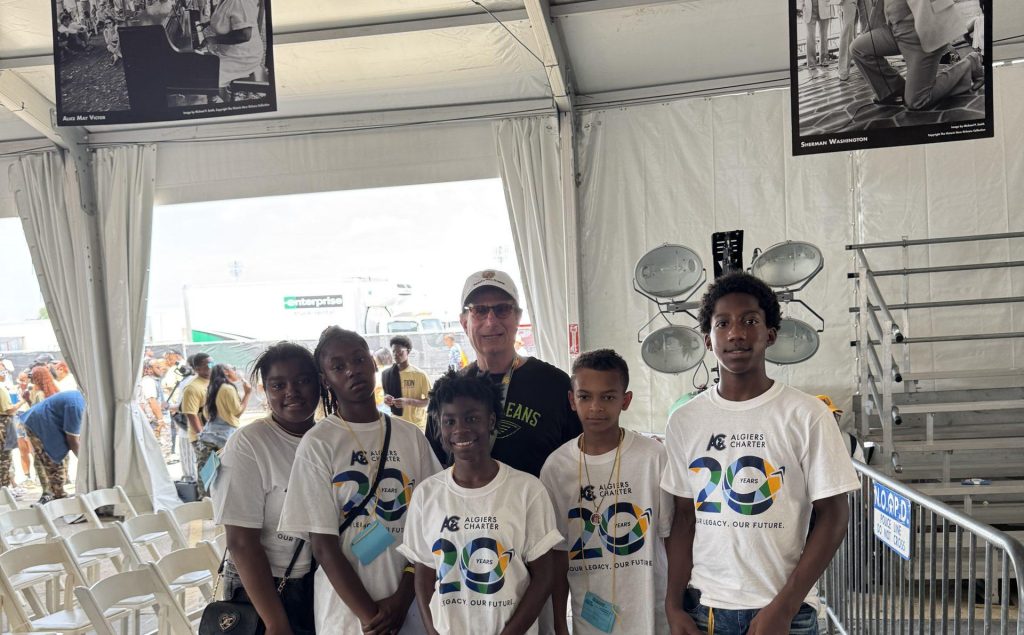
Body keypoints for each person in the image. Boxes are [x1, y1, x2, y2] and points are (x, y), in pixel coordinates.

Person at [661, 272, 860, 635]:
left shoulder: (807, 414)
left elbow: (834, 516)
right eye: (723, 323)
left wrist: (784, 607)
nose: (736, 333)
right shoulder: (685, 420)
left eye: (750, 321)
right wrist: (673, 605)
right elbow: (683, 519)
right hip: (705, 610)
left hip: (783, 611)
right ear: (708, 340)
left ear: (770, 334)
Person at [279, 326, 441, 635]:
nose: (352, 370)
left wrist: (402, 600)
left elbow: (429, 528)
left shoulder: (410, 437)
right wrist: (373, 616)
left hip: (411, 607)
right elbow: (323, 546)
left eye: (359, 359)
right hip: (347, 617)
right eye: (338, 366)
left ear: (372, 363)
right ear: (326, 379)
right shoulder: (319, 444)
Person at [400, 371, 560, 634]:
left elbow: (544, 577)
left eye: (472, 418)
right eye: (449, 421)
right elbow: (424, 574)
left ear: (492, 421)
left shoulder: (527, 489)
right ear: (439, 425)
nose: (460, 429)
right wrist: (433, 630)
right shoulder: (426, 495)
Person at [540, 349, 673, 635]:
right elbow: (558, 554)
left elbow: (671, 539)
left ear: (625, 401)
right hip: (588, 621)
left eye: (608, 397)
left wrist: (676, 605)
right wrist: (559, 623)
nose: (596, 407)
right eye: (585, 396)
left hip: (651, 617)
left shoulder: (653, 457)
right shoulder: (556, 467)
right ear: (571, 401)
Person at [425, 270, 581, 477]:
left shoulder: (555, 385)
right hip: (464, 509)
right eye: (479, 310)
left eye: (502, 309)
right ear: (464, 323)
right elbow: (434, 469)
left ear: (518, 318)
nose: (491, 321)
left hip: (537, 508)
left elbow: (581, 462)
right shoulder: (447, 392)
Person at [212, 342, 320, 635]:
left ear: (319, 383)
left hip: (315, 580)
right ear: (266, 391)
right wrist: (275, 622)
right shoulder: (249, 444)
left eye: (302, 380)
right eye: (278, 384)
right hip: (264, 587)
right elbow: (241, 542)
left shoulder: (326, 438)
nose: (291, 391)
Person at [851, 0, 982, 109]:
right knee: (858, 48)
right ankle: (893, 90)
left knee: (917, 101)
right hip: (893, 30)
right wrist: (869, 29)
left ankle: (971, 63)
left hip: (921, 33)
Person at [20, 390, 85, 504]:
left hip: (49, 421)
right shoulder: (76, 406)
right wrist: (84, 461)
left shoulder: (81, 399)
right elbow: (72, 440)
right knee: (53, 461)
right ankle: (58, 499)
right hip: (38, 423)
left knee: (61, 460)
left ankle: (57, 494)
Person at [196, 363, 253, 472]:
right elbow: (237, 412)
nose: (235, 372)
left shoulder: (212, 388)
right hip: (223, 438)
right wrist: (247, 394)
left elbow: (206, 414)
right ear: (226, 371)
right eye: (233, 369)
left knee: (208, 475)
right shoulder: (228, 389)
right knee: (225, 473)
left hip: (208, 435)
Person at [202, 0, 264, 90]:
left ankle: (219, 99)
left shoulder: (240, 2)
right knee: (202, 68)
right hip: (229, 52)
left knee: (206, 75)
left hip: (243, 57)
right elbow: (224, 18)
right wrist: (208, 24)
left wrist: (213, 40)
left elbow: (244, 35)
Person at [382, 336, 430, 431]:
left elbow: (429, 400)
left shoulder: (419, 375)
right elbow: (386, 395)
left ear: (408, 351)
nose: (396, 355)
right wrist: (387, 399)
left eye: (400, 352)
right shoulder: (387, 374)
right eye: (394, 352)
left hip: (417, 425)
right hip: (396, 423)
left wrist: (408, 401)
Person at [181, 352, 212, 496]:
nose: (212, 366)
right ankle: (206, 501)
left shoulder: (213, 382)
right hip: (203, 437)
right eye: (207, 364)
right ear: (198, 368)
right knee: (207, 469)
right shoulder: (192, 388)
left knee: (217, 470)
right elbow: (191, 414)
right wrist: (202, 436)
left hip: (217, 435)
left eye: (212, 362)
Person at [0, 368, 21, 490]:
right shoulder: (1, 389)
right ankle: (3, 490)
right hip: (3, 422)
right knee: (4, 459)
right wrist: (22, 401)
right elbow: (9, 410)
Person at [138, 359, 169, 442]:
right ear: (148, 369)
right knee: (163, 449)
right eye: (157, 367)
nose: (161, 368)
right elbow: (152, 401)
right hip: (156, 422)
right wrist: (160, 420)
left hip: (157, 420)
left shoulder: (154, 381)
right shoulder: (148, 381)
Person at [801, 0, 832, 71]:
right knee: (810, 37)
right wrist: (801, 6)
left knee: (824, 35)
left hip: (824, 7)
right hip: (809, 9)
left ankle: (824, 59)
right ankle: (811, 63)